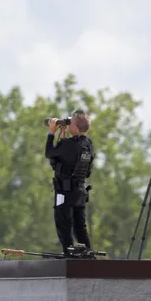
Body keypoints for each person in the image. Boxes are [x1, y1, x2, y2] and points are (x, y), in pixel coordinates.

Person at [45, 110, 95, 256]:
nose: (69, 124)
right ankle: (88, 255)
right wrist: (63, 133)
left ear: (76, 128)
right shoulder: (88, 145)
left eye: (71, 122)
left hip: (64, 192)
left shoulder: (69, 145)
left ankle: (68, 256)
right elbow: (61, 157)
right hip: (80, 191)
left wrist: (51, 132)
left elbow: (50, 153)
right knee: (80, 227)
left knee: (64, 225)